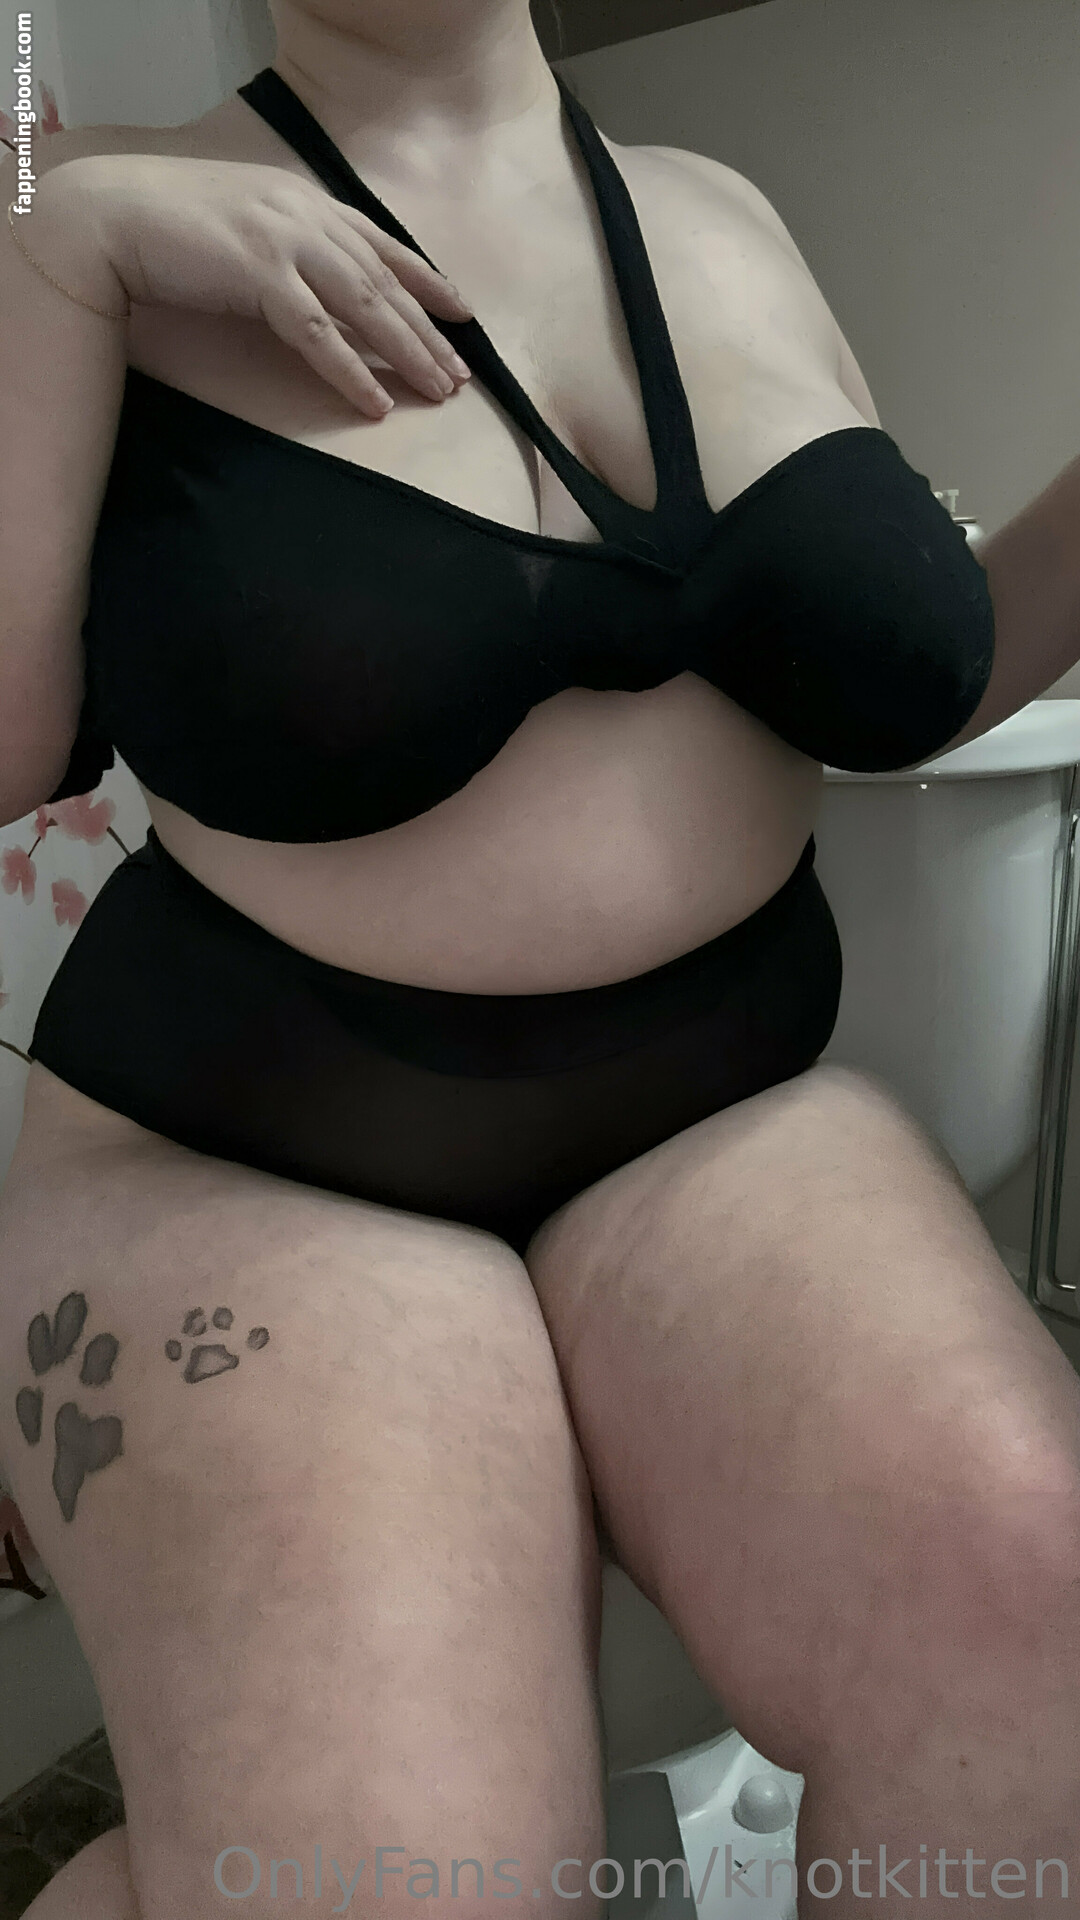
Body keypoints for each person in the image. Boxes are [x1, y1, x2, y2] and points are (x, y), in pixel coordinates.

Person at [1, 2, 1079, 1914]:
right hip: (246, 1153)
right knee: (401, 1877)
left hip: (720, 1124)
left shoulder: (722, 211)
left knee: (1039, 1638)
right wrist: (61, 269)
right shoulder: (80, 215)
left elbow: (919, 681)